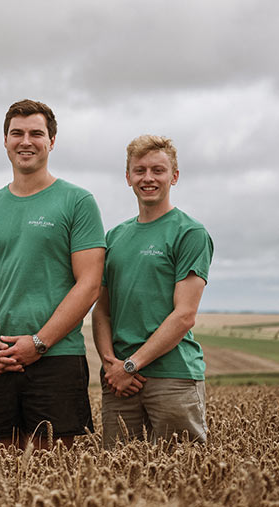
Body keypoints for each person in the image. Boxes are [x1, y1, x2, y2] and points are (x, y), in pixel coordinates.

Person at [0, 99, 105, 449]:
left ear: (51, 141)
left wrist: (38, 343)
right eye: (17, 133)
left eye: (36, 133)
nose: (26, 141)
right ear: (5, 141)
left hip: (56, 358)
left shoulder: (77, 202)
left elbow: (90, 284)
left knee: (51, 474)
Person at [92, 135, 213, 448]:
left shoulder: (189, 232)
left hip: (172, 376)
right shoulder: (114, 236)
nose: (148, 178)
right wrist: (111, 365)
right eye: (140, 170)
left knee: (183, 475)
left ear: (174, 176)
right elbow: (102, 310)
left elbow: (184, 315)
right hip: (120, 383)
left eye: (158, 170)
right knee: (116, 478)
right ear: (128, 176)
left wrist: (132, 364)